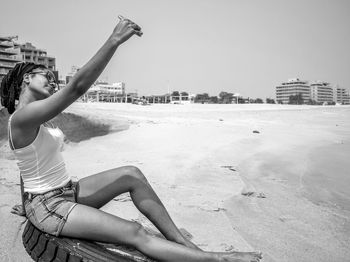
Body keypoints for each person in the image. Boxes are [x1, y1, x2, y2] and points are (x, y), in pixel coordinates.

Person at [1, 16, 262, 262]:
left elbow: (26, 166)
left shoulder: (33, 118)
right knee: (134, 232)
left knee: (132, 174)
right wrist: (114, 40)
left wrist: (25, 203)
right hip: (49, 205)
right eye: (46, 75)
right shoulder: (23, 118)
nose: (52, 81)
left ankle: (183, 244)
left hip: (67, 190)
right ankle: (218, 259)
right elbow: (77, 88)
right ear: (26, 78)